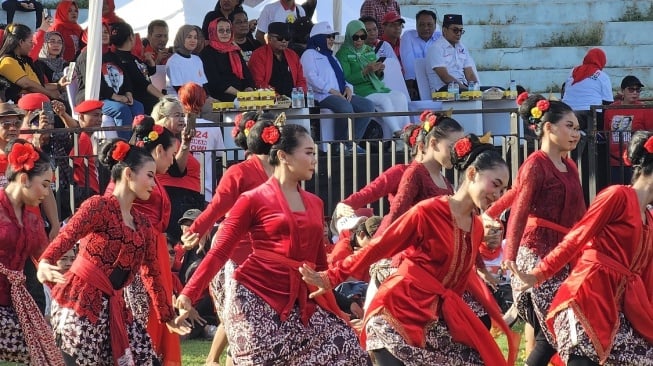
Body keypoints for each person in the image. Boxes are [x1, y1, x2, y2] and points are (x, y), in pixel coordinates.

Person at [300, 134, 517, 365]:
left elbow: (458, 279)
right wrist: (332, 275)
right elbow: (380, 245)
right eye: (495, 185)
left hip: (433, 323)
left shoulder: (475, 228)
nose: (498, 195)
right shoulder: (429, 211)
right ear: (472, 174)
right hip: (396, 314)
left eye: (504, 190)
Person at [177, 123, 372, 365]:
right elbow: (220, 250)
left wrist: (337, 303)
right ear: (283, 156)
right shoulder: (252, 198)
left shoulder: (315, 202)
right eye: (309, 153)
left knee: (348, 347)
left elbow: (320, 264)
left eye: (314, 153)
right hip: (254, 295)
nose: (315, 160)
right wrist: (189, 293)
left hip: (299, 298)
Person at [37, 139, 191, 365]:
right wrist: (45, 261)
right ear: (128, 174)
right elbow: (66, 236)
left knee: (145, 358)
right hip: (81, 303)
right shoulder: (98, 206)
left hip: (114, 306)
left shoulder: (143, 225)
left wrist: (167, 316)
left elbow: (153, 275)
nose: (154, 183)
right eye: (149, 175)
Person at [515, 130, 653, 366]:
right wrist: (539, 273)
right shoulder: (618, 196)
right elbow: (578, 236)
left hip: (621, 307)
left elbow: (647, 276)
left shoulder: (649, 219)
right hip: (589, 296)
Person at [486, 93, 586, 366]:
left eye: (577, 128)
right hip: (536, 253)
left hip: (563, 253)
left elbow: (580, 214)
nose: (575, 133)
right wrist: (510, 256)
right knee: (557, 325)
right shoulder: (535, 164)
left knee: (551, 331)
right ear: (548, 127)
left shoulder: (570, 166)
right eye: (569, 126)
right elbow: (518, 210)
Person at [180, 111, 274, 365]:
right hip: (238, 252)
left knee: (243, 322)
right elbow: (218, 205)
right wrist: (198, 227)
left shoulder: (283, 171)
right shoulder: (239, 172)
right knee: (238, 320)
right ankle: (215, 360)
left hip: (269, 256)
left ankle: (216, 360)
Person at [0, 139, 64, 365]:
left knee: (45, 353)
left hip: (14, 303)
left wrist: (45, 266)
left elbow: (42, 255)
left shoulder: (31, 220)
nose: (47, 194)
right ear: (25, 179)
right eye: (45, 185)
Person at [374, 111, 463, 235]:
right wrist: (374, 250)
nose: (456, 153)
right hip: (416, 251)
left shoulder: (444, 180)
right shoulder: (415, 173)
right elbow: (396, 215)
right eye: (452, 147)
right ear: (433, 143)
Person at [301, 22, 375, 145]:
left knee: (368, 106)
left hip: (339, 94)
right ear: (318, 38)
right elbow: (310, 77)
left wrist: (348, 87)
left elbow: (341, 77)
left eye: (333, 37)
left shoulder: (332, 57)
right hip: (321, 95)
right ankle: (338, 145)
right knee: (345, 108)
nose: (332, 40)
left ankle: (351, 144)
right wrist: (331, 90)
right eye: (328, 37)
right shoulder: (309, 54)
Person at [337, 19, 410, 141]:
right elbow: (346, 78)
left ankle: (406, 132)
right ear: (349, 36)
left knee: (400, 97)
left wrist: (378, 71)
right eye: (356, 37)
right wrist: (365, 71)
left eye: (362, 36)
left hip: (377, 87)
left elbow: (376, 76)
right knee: (384, 100)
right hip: (359, 90)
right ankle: (397, 133)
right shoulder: (342, 53)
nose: (360, 40)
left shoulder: (368, 50)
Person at [152, 96, 203, 242]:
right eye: (177, 115)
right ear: (163, 117)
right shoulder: (165, 139)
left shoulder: (172, 139)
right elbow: (177, 171)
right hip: (176, 198)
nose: (182, 119)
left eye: (183, 115)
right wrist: (186, 144)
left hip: (183, 196)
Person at [177, 82, 226, 203]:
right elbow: (221, 154)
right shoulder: (213, 127)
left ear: (181, 101)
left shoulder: (175, 125)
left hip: (180, 188)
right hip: (206, 189)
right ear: (203, 101)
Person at [604, 75, 653, 184]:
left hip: (635, 162)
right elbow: (606, 131)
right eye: (631, 89)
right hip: (614, 161)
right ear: (622, 91)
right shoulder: (610, 109)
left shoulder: (645, 109)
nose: (635, 93)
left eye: (638, 90)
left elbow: (650, 134)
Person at [109, 22, 164, 115]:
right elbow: (143, 83)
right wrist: (163, 97)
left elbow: (147, 73)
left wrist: (150, 62)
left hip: (148, 97)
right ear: (131, 37)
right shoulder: (123, 60)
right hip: (142, 100)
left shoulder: (132, 57)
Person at [0, 23, 64, 102]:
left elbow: (38, 85)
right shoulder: (8, 61)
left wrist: (59, 85)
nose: (33, 45)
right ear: (21, 42)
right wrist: (50, 94)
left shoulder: (24, 60)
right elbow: (27, 84)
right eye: (30, 42)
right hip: (24, 108)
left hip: (40, 101)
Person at [200, 18, 254, 102]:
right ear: (213, 31)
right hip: (220, 97)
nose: (225, 33)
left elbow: (246, 73)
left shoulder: (234, 50)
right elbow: (214, 81)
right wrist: (240, 94)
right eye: (221, 30)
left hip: (241, 95)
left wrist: (249, 88)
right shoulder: (207, 53)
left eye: (228, 30)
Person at [249, 22, 307, 97]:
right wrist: (278, 97)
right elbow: (258, 82)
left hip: (294, 100)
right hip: (269, 101)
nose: (284, 41)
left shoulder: (293, 55)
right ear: (269, 38)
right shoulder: (259, 55)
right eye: (280, 38)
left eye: (287, 38)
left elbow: (301, 80)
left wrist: (298, 95)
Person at [426, 14, 479, 92]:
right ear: (444, 30)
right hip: (444, 90)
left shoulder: (462, 47)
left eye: (461, 30)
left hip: (462, 87)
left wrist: (476, 88)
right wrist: (467, 90)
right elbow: (445, 77)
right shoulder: (436, 48)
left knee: (496, 91)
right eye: (455, 30)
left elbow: (470, 74)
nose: (458, 33)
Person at [561, 48, 613, 125]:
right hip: (591, 116)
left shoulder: (573, 71)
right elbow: (608, 102)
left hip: (568, 113)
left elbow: (565, 90)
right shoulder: (602, 76)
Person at [68, 99, 104, 202]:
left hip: (89, 190)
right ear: (81, 117)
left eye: (101, 116)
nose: (100, 119)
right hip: (86, 191)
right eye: (95, 115)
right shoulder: (83, 138)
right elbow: (73, 163)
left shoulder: (86, 137)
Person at [401, 9, 440, 100]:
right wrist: (410, 86)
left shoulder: (441, 37)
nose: (425, 28)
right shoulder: (408, 36)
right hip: (415, 81)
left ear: (435, 26)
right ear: (416, 25)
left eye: (429, 25)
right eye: (421, 25)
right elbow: (408, 62)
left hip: (438, 79)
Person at [166, 25, 208, 97]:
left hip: (199, 99)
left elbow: (203, 83)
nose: (193, 40)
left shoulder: (197, 60)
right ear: (181, 38)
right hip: (181, 102)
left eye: (195, 37)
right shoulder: (174, 61)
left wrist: (208, 97)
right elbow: (179, 89)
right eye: (189, 37)